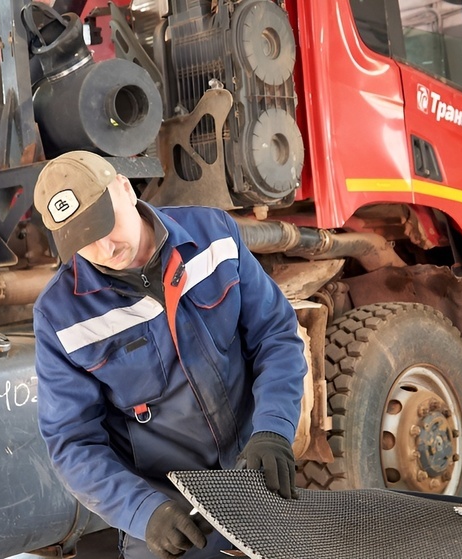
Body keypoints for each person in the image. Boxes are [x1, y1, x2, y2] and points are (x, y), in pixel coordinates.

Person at [32, 151, 308, 559]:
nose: (104, 247)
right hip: (170, 509)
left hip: (254, 476)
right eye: (83, 241)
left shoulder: (213, 235)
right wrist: (144, 512)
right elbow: (73, 442)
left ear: (125, 189)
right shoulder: (60, 316)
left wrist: (273, 430)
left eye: (104, 225)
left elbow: (275, 335)